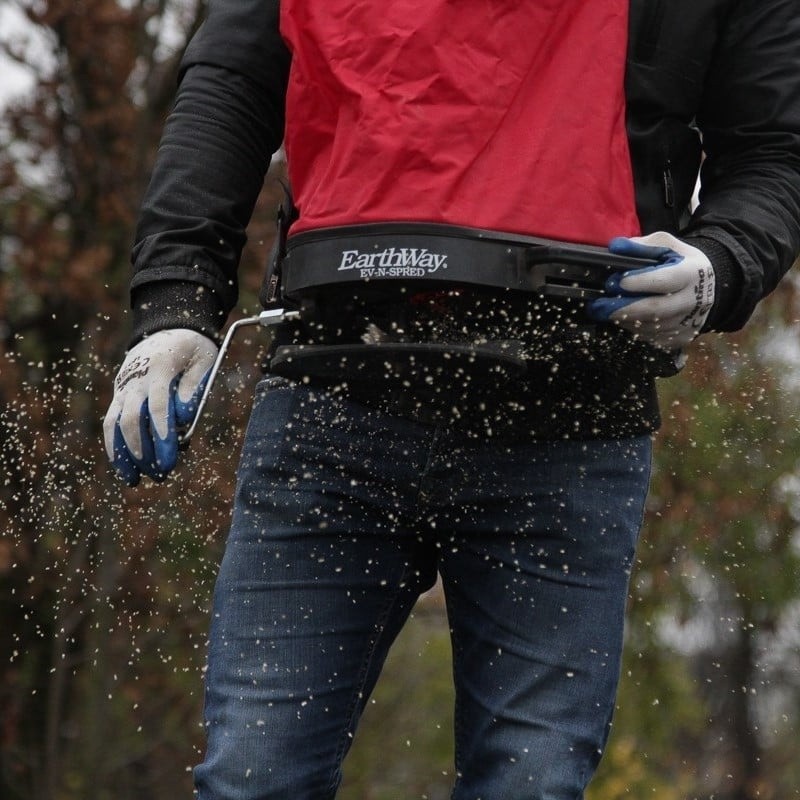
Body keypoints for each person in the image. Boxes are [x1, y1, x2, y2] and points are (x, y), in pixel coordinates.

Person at [103, 1, 800, 797]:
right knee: (255, 777)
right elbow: (233, 80)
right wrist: (175, 306)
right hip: (334, 397)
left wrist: (722, 264)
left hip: (572, 417)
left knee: (529, 782)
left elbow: (775, 149)